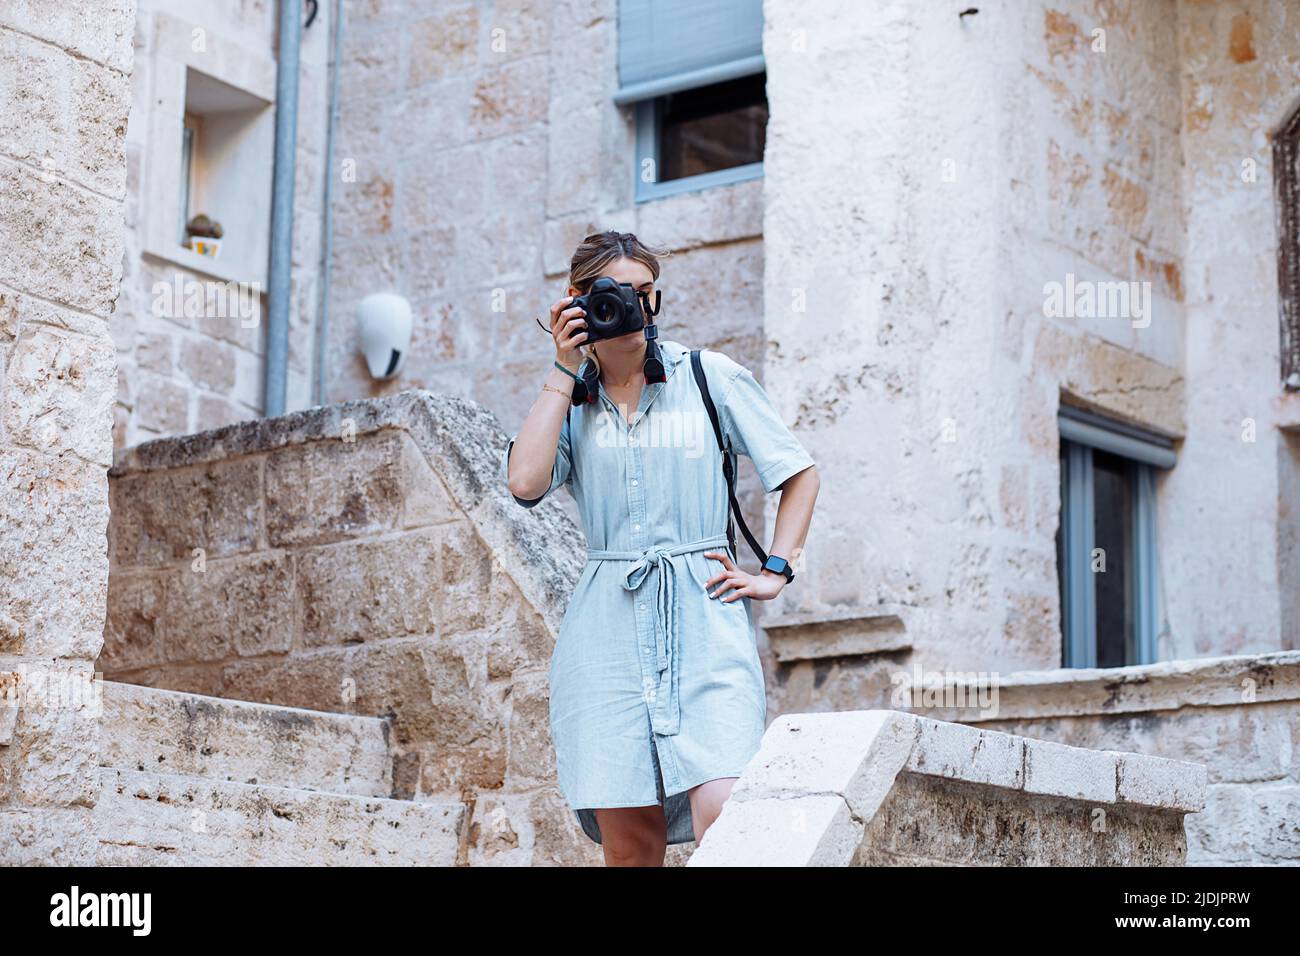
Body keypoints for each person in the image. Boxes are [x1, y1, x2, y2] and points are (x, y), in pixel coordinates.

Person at [500, 230, 820, 865]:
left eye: (644, 294)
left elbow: (799, 472)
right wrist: (563, 370)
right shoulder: (571, 402)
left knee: (728, 812)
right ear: (577, 301)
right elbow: (525, 482)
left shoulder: (708, 376)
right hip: (605, 635)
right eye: (613, 294)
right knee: (631, 849)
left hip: (705, 620)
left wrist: (775, 569)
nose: (632, 309)